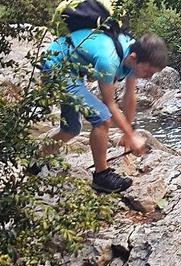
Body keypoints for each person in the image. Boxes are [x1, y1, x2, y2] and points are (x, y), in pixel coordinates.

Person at [41, 30, 168, 193]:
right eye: (148, 72)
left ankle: (35, 159)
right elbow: (109, 104)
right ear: (134, 58)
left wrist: (127, 132)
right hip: (55, 66)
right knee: (101, 118)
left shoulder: (131, 55)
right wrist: (132, 136)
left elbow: (129, 96)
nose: (149, 78)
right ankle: (101, 176)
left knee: (71, 129)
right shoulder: (109, 60)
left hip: (71, 69)